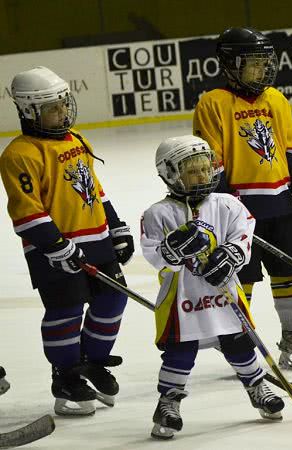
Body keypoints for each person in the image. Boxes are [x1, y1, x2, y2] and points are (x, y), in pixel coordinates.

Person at [0, 67, 134, 415]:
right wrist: (57, 245)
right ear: (30, 112)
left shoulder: (76, 140)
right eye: (53, 108)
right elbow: (27, 211)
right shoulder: (20, 154)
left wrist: (116, 227)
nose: (63, 113)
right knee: (65, 310)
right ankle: (65, 375)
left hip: (96, 239)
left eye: (63, 104)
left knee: (112, 301)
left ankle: (92, 361)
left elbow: (95, 190)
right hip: (52, 249)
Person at [193, 27, 292, 369]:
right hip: (240, 209)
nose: (263, 71)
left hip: (281, 204)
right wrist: (224, 208)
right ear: (229, 64)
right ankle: (239, 340)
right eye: (253, 63)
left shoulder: (276, 99)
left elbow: (290, 148)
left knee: (290, 272)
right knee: (244, 276)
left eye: (265, 63)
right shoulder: (213, 103)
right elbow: (212, 162)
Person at [141, 135, 284, 439]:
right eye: (193, 171)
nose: (203, 176)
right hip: (183, 298)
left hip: (224, 293)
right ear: (171, 174)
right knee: (181, 350)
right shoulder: (158, 213)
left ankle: (257, 385)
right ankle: (169, 402)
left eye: (207, 168)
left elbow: (244, 233)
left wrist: (231, 255)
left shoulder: (227, 204)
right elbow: (154, 255)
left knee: (238, 342)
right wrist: (171, 251)